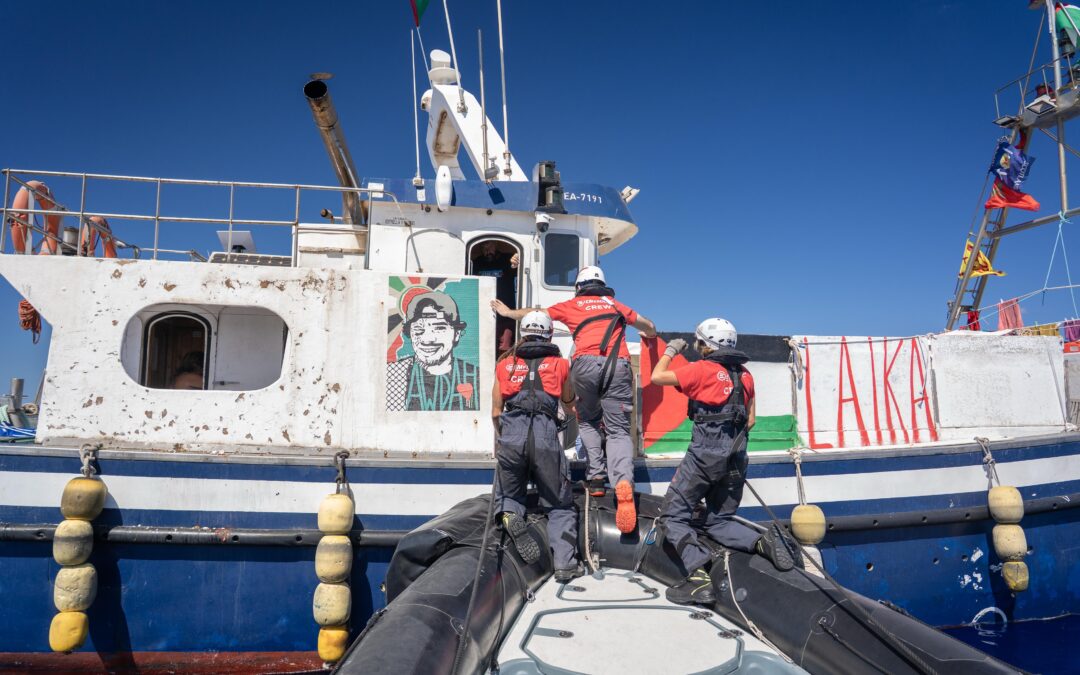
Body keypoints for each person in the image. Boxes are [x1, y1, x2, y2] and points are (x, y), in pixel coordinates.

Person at [492, 265, 656, 534]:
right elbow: (647, 324)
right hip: (619, 365)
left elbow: (537, 315)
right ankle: (623, 481)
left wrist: (508, 313)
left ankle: (596, 477)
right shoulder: (614, 304)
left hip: (584, 366)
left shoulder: (572, 305)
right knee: (617, 431)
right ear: (602, 285)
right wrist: (651, 334)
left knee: (589, 422)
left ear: (579, 287)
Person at [650, 318, 800, 606]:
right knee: (718, 520)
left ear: (706, 345)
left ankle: (698, 579)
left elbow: (658, 377)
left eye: (698, 342)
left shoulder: (701, 370)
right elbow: (751, 419)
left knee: (673, 517)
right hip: (737, 456)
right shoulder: (745, 375)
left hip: (704, 456)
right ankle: (761, 541)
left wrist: (670, 350)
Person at [492, 311, 583, 582]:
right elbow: (568, 402)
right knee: (559, 503)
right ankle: (565, 565)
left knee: (508, 494)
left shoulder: (504, 364)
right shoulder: (560, 365)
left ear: (523, 334)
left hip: (511, 434)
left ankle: (509, 514)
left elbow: (496, 411)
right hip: (545, 434)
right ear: (549, 334)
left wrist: (504, 438)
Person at [387, 290, 480, 411]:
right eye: (419, 330)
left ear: (456, 333)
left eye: (439, 328)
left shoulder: (475, 376)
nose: (427, 339)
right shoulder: (394, 373)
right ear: (410, 333)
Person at [471, 241, 520, 355]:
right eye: (484, 247)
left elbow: (518, 266)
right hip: (483, 312)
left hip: (505, 313)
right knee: (484, 347)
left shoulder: (506, 259)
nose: (487, 250)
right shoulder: (476, 263)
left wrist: (516, 259)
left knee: (505, 348)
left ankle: (503, 370)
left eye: (490, 245)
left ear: (496, 246)